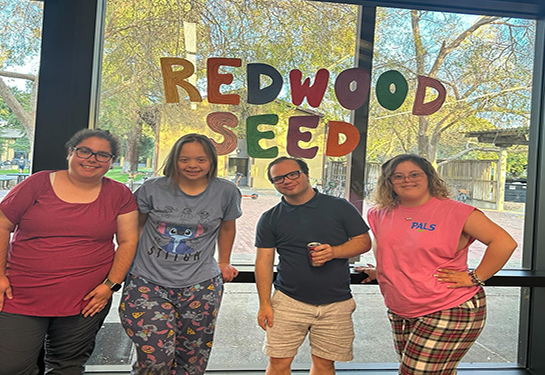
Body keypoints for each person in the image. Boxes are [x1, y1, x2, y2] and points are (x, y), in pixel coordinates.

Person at [0, 129, 139, 375]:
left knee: (68, 367)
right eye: (84, 150)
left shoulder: (119, 194)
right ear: (70, 153)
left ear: (111, 161)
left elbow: (128, 241)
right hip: (20, 295)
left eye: (102, 155)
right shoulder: (37, 183)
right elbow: (2, 224)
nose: (92, 158)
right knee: (10, 367)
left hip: (85, 301)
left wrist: (111, 285)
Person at [362, 154, 517, 375]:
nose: (407, 180)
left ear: (429, 177)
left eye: (414, 174)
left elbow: (504, 243)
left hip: (449, 306)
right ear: (389, 181)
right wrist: (383, 270)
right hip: (401, 308)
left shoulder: (455, 211)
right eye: (398, 176)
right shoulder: (379, 213)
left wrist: (475, 277)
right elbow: (385, 245)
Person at [119, 133, 242, 375]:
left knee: (192, 360)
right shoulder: (152, 188)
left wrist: (224, 262)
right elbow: (136, 227)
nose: (193, 165)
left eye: (201, 160)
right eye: (184, 159)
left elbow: (227, 227)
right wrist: (127, 264)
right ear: (174, 160)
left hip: (201, 284)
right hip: (147, 281)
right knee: (155, 359)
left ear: (212, 162)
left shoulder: (226, 191)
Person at [255, 156, 372, 375]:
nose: (287, 181)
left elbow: (363, 242)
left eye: (293, 174)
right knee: (278, 362)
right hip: (287, 302)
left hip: (336, 303)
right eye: (278, 178)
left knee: (325, 364)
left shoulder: (338, 206)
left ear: (306, 174)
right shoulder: (270, 218)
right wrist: (264, 303)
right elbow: (264, 261)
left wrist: (334, 252)